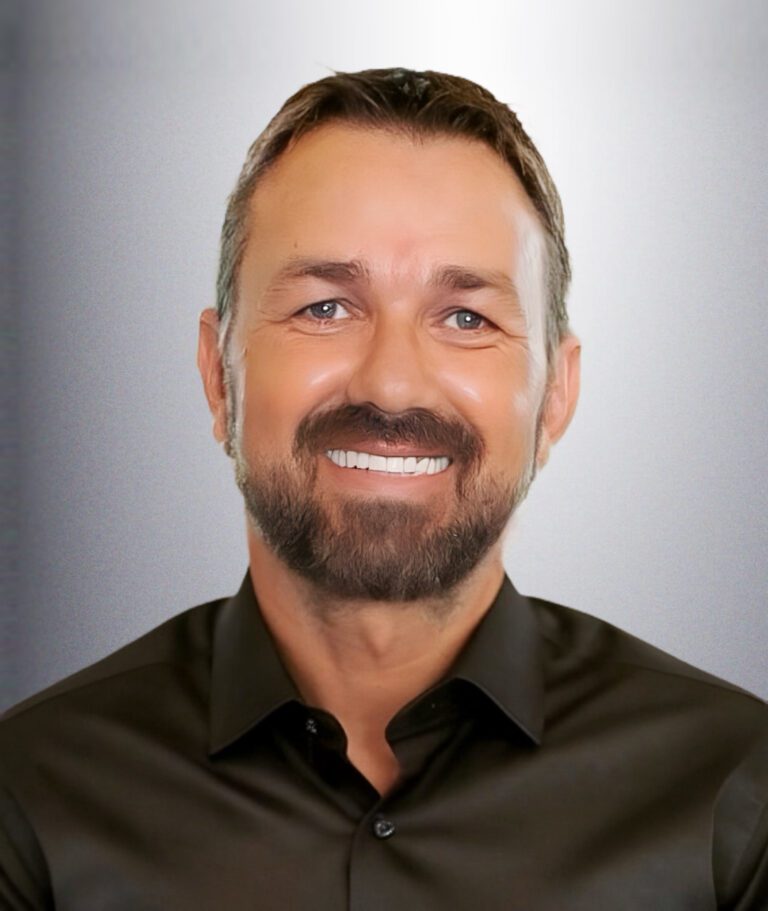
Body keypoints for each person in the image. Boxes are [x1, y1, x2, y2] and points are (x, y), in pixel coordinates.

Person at [1, 67, 766, 910]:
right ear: (220, 378)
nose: (394, 384)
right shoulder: (32, 796)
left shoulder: (734, 793)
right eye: (327, 307)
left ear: (557, 396)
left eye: (467, 318)